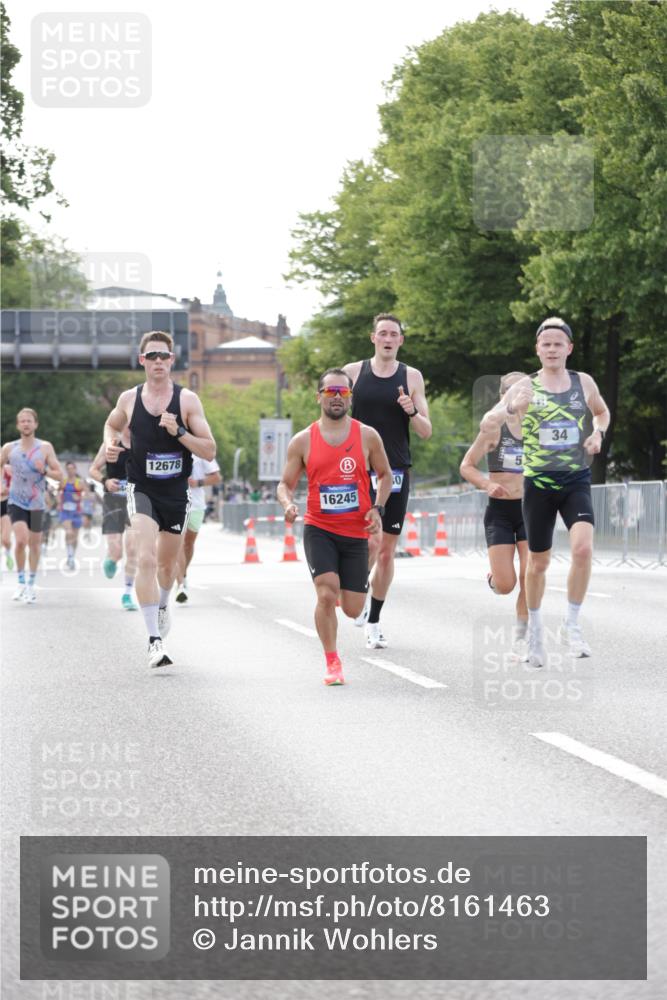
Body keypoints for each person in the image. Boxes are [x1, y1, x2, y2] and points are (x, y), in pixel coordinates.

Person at [481, 317, 610, 667]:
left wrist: (597, 433)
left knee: (583, 548)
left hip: (575, 479)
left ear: (569, 348)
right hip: (538, 483)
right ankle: (536, 633)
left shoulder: (583, 382)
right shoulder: (525, 386)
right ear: (537, 349)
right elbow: (487, 422)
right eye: (546, 344)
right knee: (538, 564)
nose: (552, 349)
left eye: (558, 343)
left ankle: (572, 624)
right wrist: (510, 406)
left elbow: (601, 412)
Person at [104, 331, 216, 668]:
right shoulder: (129, 398)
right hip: (141, 488)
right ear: (142, 360)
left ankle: (164, 603)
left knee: (168, 566)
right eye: (151, 356)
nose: (158, 361)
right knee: (146, 558)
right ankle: (154, 641)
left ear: (172, 360)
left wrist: (179, 432)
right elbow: (111, 425)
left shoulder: (187, 401)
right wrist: (110, 443)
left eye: (163, 356)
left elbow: (209, 450)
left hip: (176, 493)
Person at [277, 368, 392, 686]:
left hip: (356, 530)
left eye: (343, 392)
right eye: (331, 392)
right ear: (319, 397)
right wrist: (287, 504)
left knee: (353, 609)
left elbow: (385, 475)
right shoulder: (303, 440)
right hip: (320, 527)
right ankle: (332, 662)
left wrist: (378, 508)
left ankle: (353, 585)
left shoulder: (367, 436)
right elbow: (285, 484)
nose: (337, 397)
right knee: (326, 594)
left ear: (351, 398)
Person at [342, 313, 432, 649]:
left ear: (401, 340)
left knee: (384, 551)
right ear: (373, 338)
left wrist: (411, 411)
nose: (388, 339)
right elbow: (332, 415)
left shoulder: (411, 376)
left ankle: (374, 621)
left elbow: (425, 431)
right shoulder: (353, 373)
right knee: (366, 543)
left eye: (394, 334)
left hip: (395, 471)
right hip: (357, 471)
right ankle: (355, 588)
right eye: (383, 333)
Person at [460, 372, 528, 651]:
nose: (520, 395)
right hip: (500, 512)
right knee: (506, 584)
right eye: (513, 390)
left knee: (530, 576)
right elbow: (466, 465)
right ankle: (494, 580)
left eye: (525, 389)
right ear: (502, 396)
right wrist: (487, 484)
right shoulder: (493, 429)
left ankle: (522, 638)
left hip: (531, 511)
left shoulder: (540, 428)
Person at [0, 408, 63, 602]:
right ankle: (20, 581)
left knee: (35, 545)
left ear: (35, 424)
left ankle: (30, 584)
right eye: (22, 421)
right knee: (21, 540)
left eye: (29, 421)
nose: (26, 424)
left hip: (37, 503)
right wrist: (1, 484)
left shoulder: (45, 447)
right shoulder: (9, 448)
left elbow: (59, 474)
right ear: (18, 425)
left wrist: (44, 470)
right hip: (16, 501)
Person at [89, 429, 138, 611]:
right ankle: (112, 558)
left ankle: (127, 593)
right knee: (117, 552)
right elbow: (93, 470)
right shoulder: (111, 443)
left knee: (132, 549)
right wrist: (106, 481)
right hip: (113, 500)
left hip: (137, 501)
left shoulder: (144, 441)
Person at [174, 456, 222, 603]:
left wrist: (198, 482)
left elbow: (216, 477)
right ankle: (180, 585)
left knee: (188, 544)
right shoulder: (170, 447)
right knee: (179, 544)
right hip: (174, 503)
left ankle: (183, 574)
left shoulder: (200, 452)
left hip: (196, 505)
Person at [58, 461, 84, 570]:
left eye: (72, 468)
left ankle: (72, 555)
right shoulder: (63, 482)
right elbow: (58, 493)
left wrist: (79, 498)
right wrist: (59, 502)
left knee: (75, 536)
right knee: (69, 532)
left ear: (75, 469)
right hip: (65, 511)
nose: (70, 471)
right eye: (68, 469)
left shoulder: (79, 482)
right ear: (66, 470)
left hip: (76, 512)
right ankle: (69, 555)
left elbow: (86, 495)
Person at [1, 465, 14, 570]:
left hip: (5, 504)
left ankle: (8, 553)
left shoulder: (8, 469)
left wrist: (8, 490)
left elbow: (17, 486)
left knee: (5, 539)